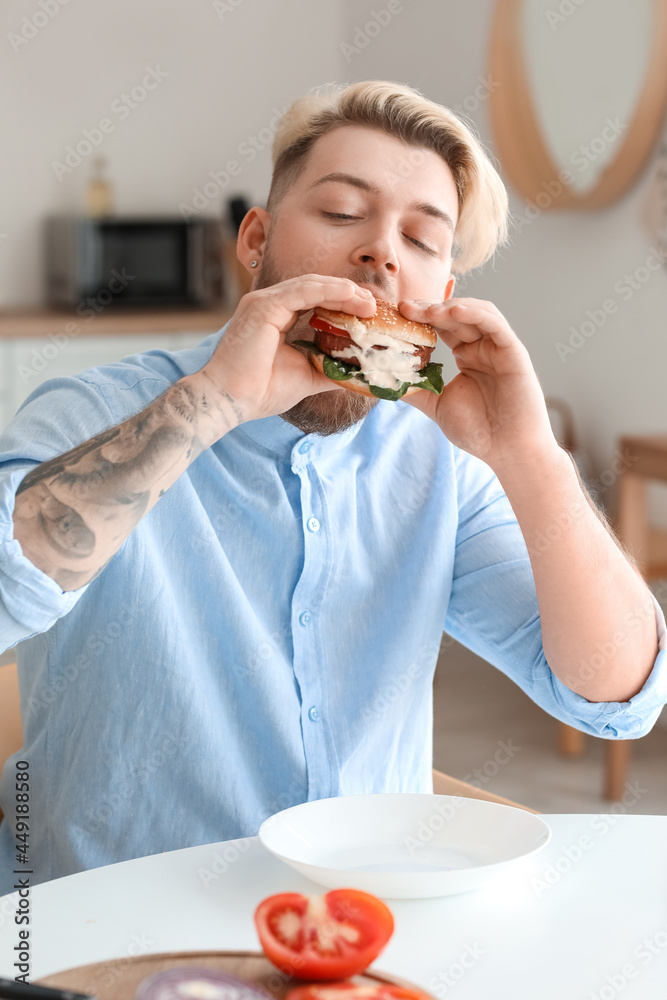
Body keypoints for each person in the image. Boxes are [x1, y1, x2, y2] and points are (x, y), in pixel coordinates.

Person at [0, 80, 665, 894]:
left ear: (439, 302)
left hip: (359, 932)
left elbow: (616, 697)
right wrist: (213, 404)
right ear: (256, 238)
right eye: (343, 213)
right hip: (103, 931)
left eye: (423, 240)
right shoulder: (91, 414)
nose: (381, 252)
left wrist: (528, 455)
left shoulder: (440, 466)